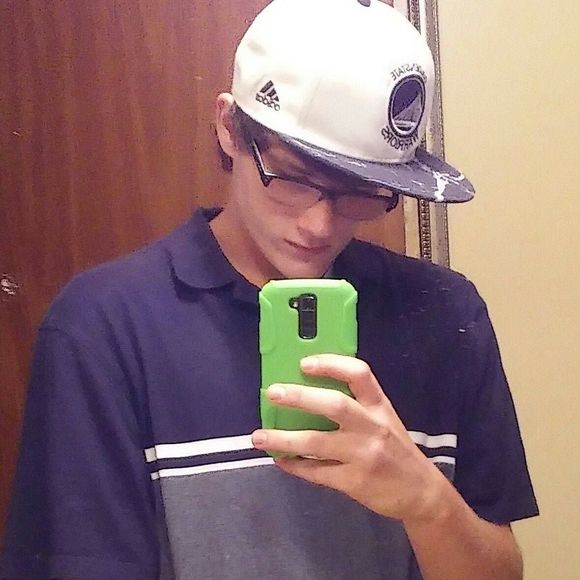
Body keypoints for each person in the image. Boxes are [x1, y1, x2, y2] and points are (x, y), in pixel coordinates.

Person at [1, 1, 538, 579]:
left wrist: (427, 502)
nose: (319, 225)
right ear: (229, 128)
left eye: (360, 191)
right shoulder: (103, 328)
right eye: (293, 179)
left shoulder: (446, 314)